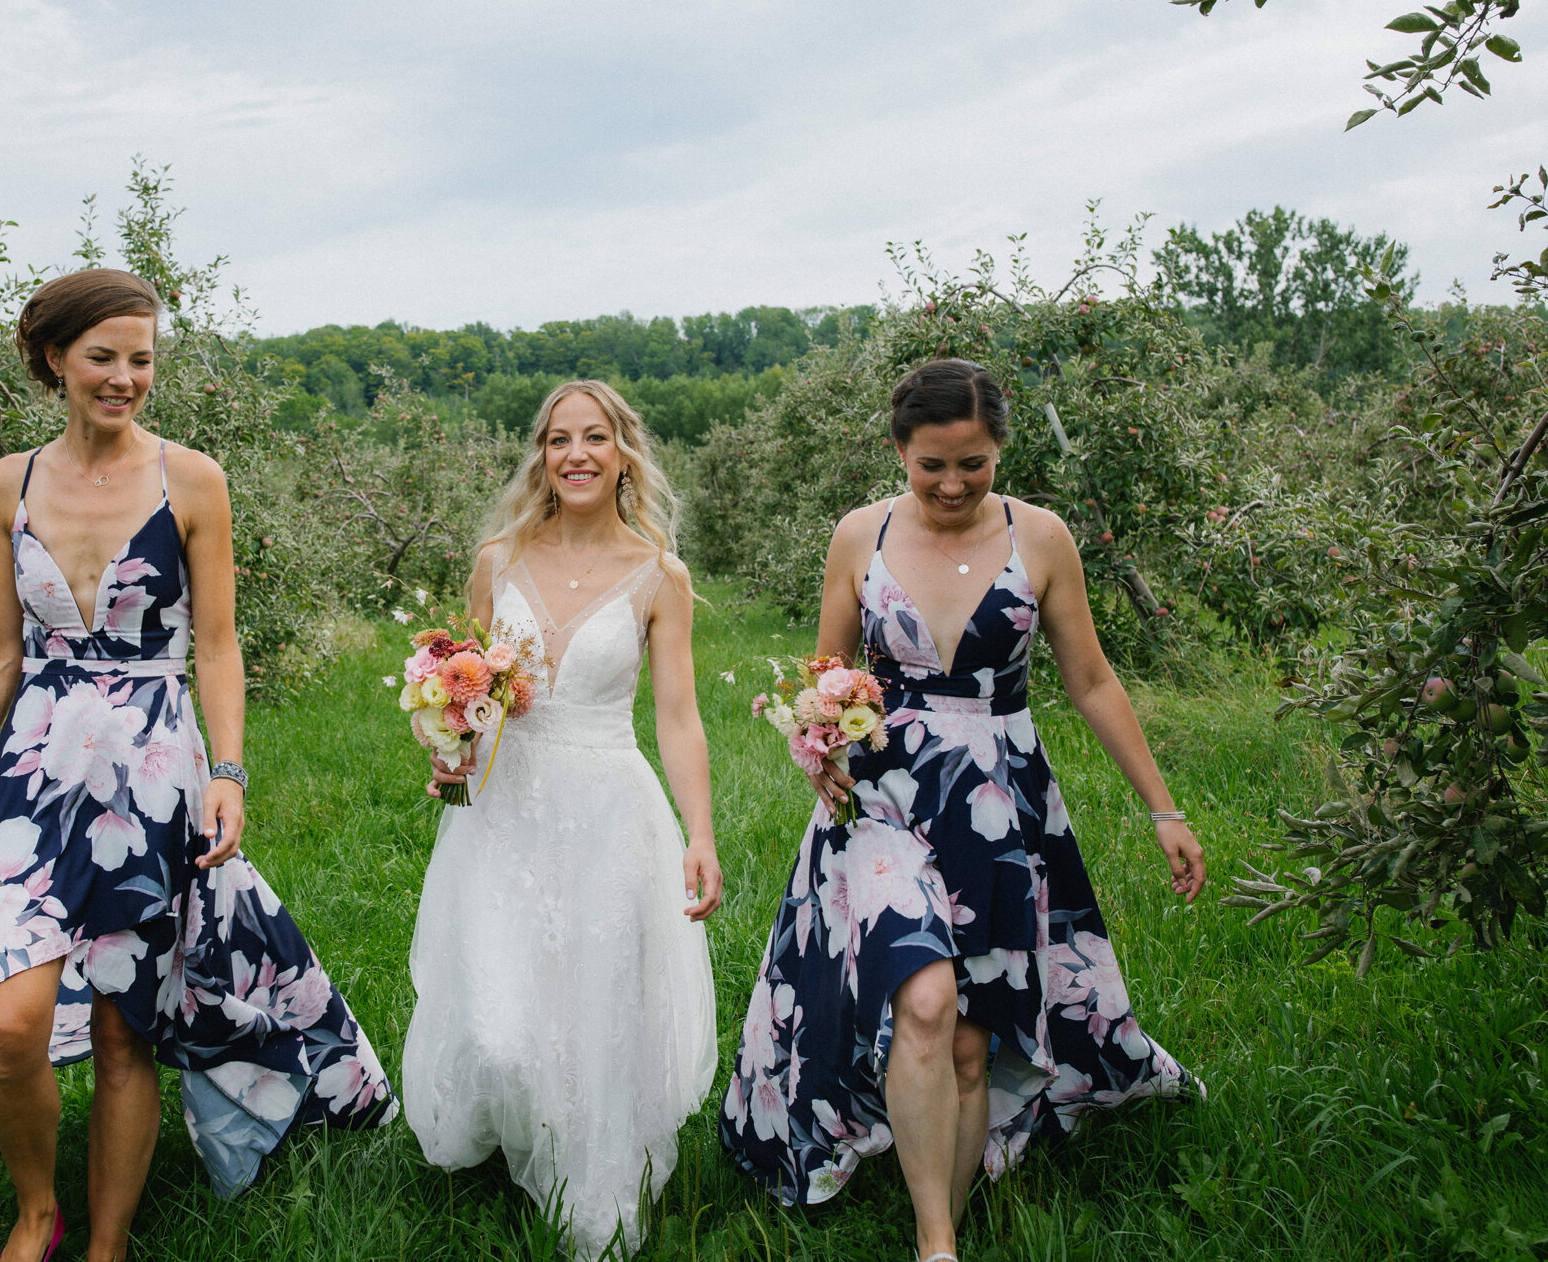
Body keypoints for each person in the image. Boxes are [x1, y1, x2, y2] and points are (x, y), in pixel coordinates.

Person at [0, 270, 393, 1262]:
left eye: (141, 360)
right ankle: (36, 1209)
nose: (125, 378)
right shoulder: (10, 482)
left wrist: (227, 771)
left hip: (151, 766)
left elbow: (217, 646)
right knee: (9, 1025)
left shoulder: (193, 480)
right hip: (34, 779)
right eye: (104, 358)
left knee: (129, 1024)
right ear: (54, 359)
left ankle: (105, 1242)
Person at [717, 358, 1205, 1262]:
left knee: (974, 1043)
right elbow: (825, 676)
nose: (951, 484)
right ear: (901, 448)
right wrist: (819, 750)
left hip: (999, 806)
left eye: (972, 463)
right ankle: (934, 1243)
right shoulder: (858, 535)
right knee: (929, 1001)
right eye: (931, 463)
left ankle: (954, 1198)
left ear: (998, 453)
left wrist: (1163, 809)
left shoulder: (1044, 538)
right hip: (885, 799)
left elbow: (1091, 679)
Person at [403, 380, 721, 1258]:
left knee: (593, 1003)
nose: (575, 454)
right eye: (557, 439)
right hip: (503, 807)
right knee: (503, 1017)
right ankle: (517, 1125)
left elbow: (679, 716)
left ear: (624, 452)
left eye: (594, 437)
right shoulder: (498, 559)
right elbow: (464, 685)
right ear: (541, 454)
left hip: (609, 809)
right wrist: (449, 747)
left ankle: (593, 1179)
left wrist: (699, 832)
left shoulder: (662, 574)